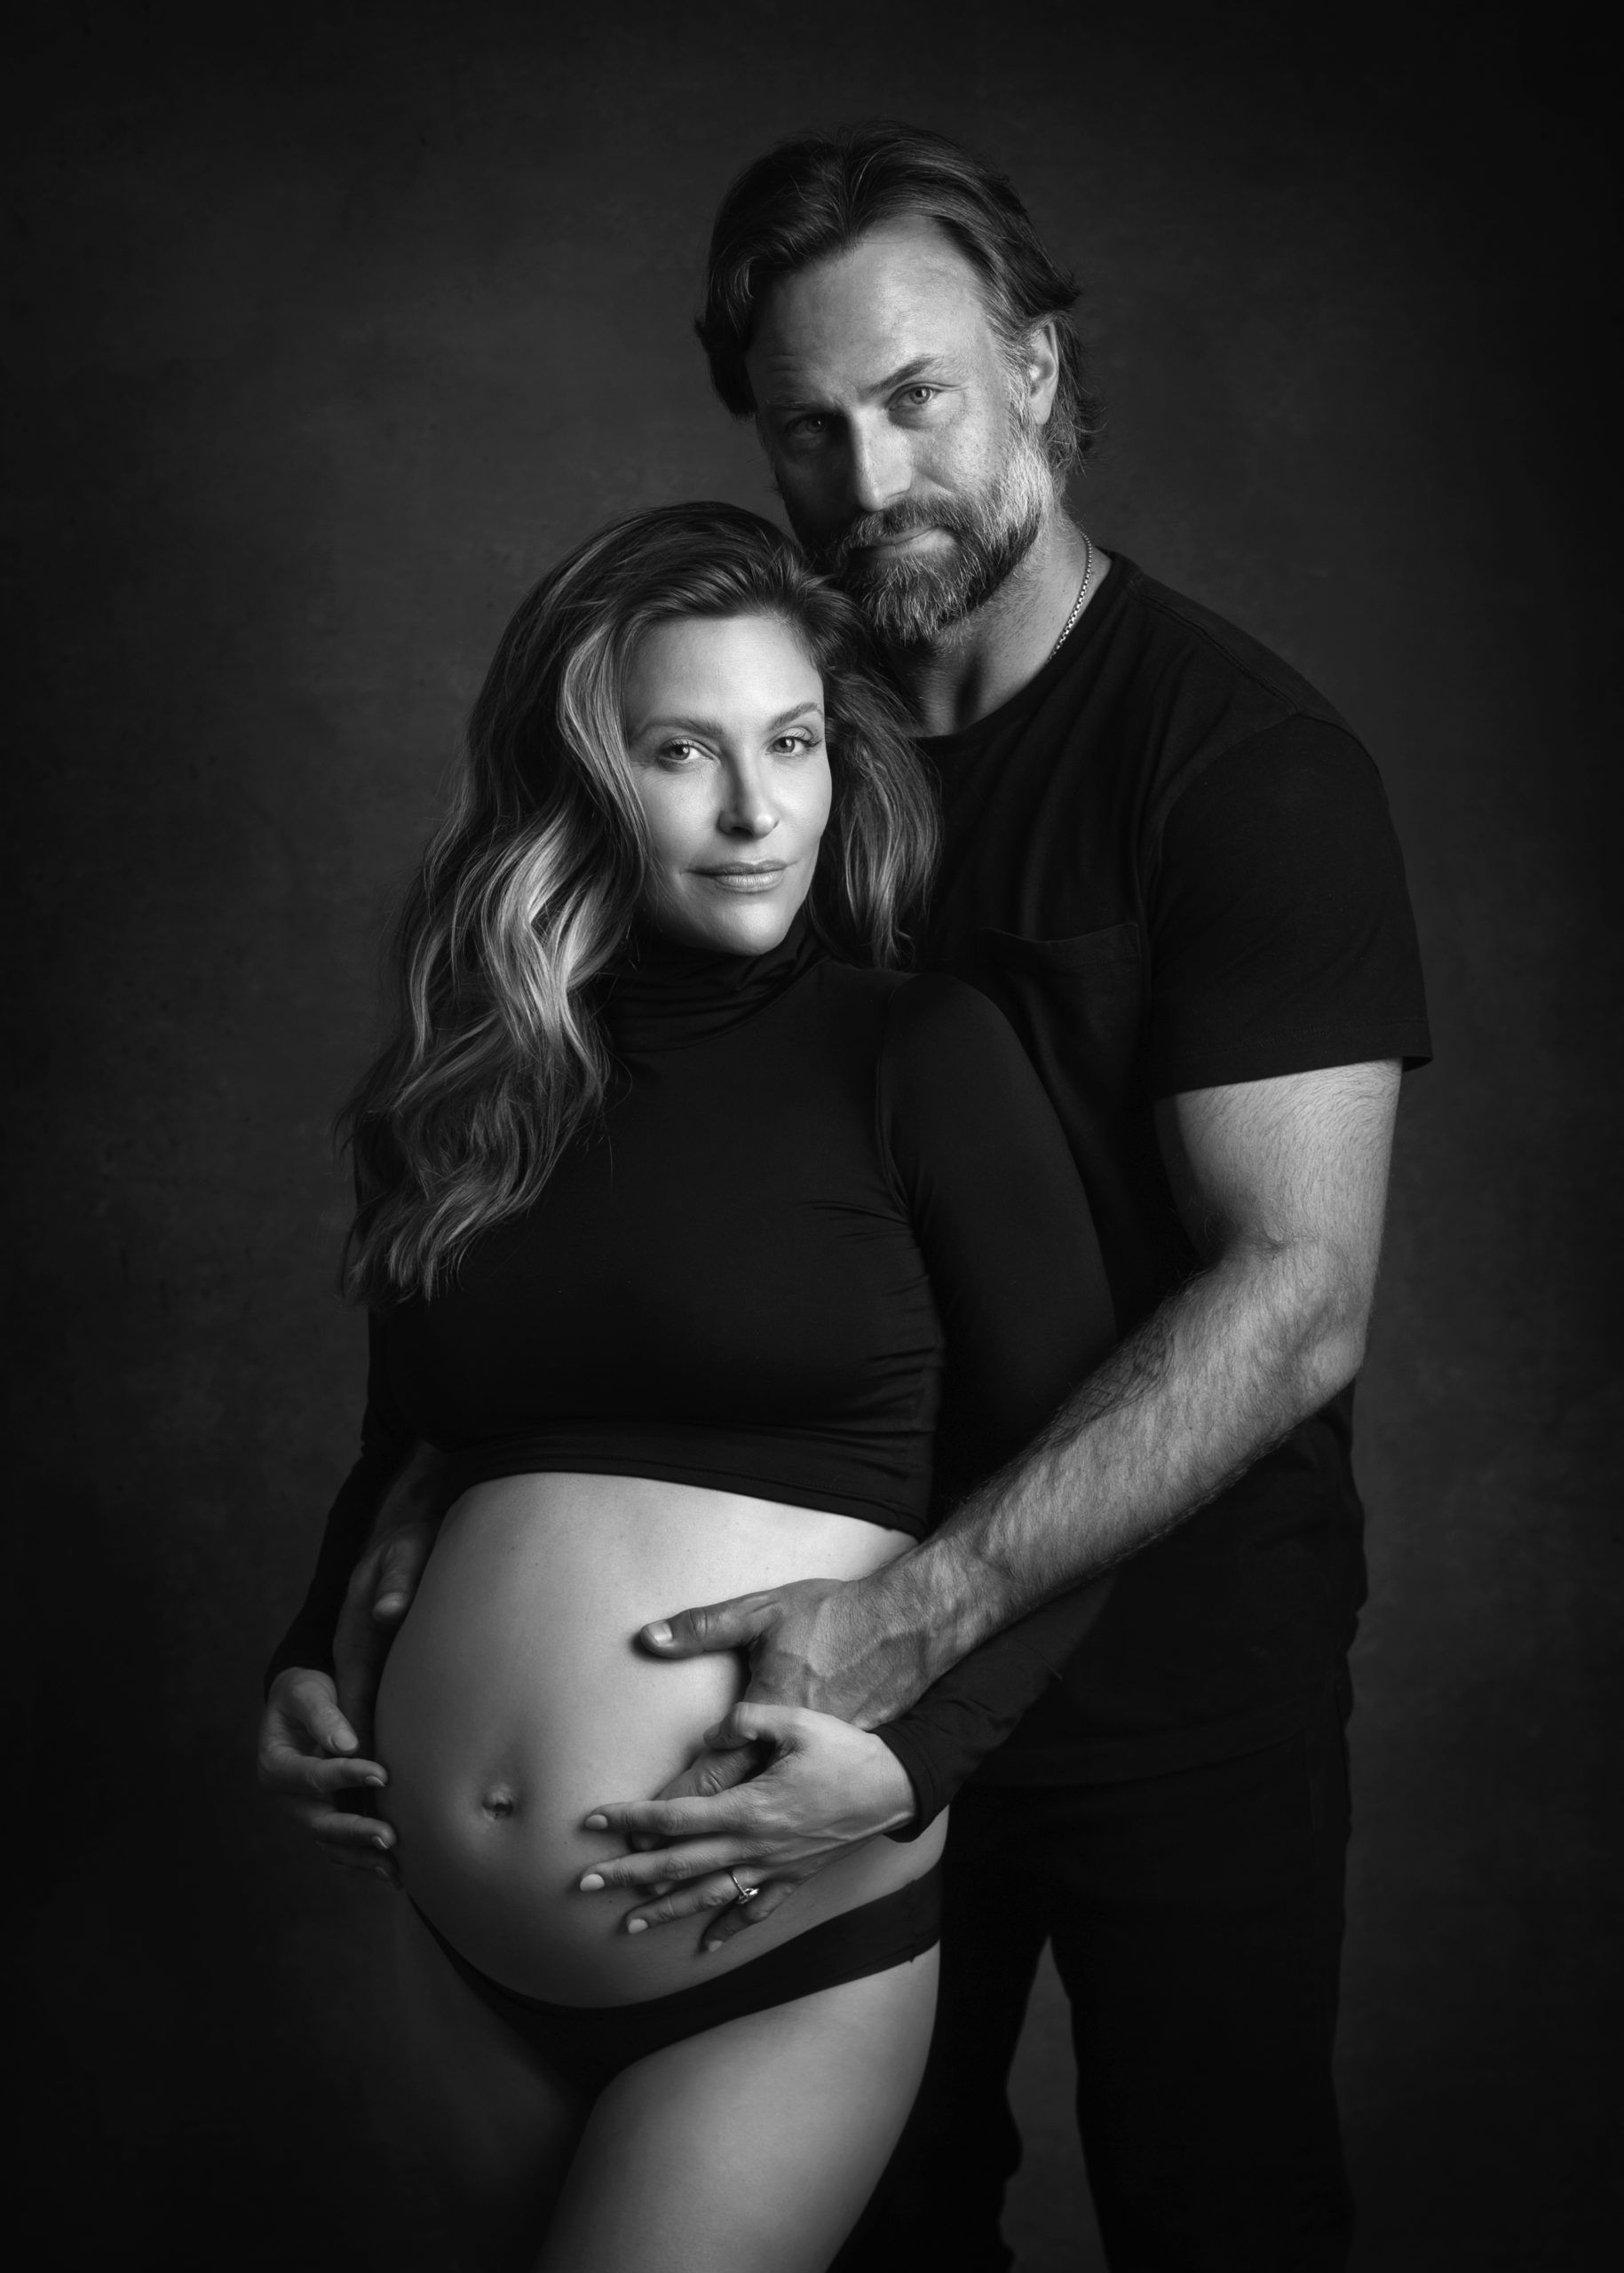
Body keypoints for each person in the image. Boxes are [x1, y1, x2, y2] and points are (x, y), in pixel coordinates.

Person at [265, 123, 1432, 2270]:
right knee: (892, 2232)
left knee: (1220, 2201)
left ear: (1041, 373)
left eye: (917, 399)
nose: (868, 471)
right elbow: (612, 1191)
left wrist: (921, 1629)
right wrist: (454, 1475)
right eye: (808, 424)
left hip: (1157, 1654)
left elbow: (1300, 1288)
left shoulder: (1237, 767)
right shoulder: (769, 724)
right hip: (797, 1673)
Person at [259, 500, 1118, 2271]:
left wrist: (908, 1765)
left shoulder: (916, 1054)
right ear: (578, 778)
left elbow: (1088, 1489)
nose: (758, 810)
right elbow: (412, 1446)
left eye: (793, 741)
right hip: (432, 1941)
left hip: (774, 1952)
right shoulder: (463, 1097)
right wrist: (297, 1654)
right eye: (682, 751)